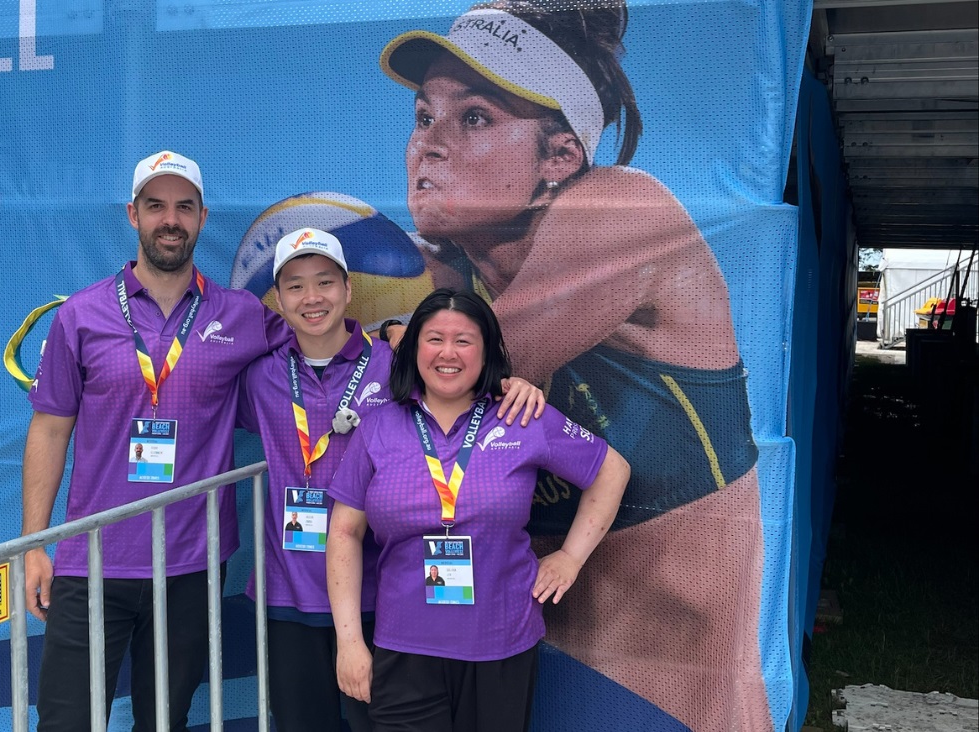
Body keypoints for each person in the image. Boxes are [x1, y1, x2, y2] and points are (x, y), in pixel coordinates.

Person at [377, 3, 770, 728]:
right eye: (423, 115)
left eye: (474, 118)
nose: (429, 144)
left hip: (666, 700)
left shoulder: (621, 208)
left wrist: (348, 316)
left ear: (558, 158)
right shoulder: (455, 277)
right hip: (531, 653)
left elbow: (457, 365)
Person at [21, 149, 293, 732]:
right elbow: (49, 427)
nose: (171, 219)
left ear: (202, 217)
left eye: (184, 207)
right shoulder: (82, 314)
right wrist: (34, 545)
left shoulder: (242, 315)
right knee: (65, 721)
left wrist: (394, 335)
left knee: (165, 721)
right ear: (133, 214)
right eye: (156, 206)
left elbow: (320, 349)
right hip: (92, 558)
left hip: (191, 564)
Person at [236, 231, 545, 732]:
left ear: (348, 289)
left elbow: (464, 386)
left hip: (381, 597)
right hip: (287, 594)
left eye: (325, 282)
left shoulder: (397, 364)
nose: (312, 297)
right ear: (278, 299)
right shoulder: (258, 376)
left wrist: (511, 385)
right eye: (295, 286)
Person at [327, 289, 629, 732]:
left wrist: (571, 557)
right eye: (434, 339)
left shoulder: (523, 416)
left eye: (464, 340)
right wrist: (350, 642)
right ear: (414, 349)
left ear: (486, 351)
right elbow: (344, 533)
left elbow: (611, 471)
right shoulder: (378, 428)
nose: (448, 353)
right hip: (404, 648)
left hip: (501, 645)